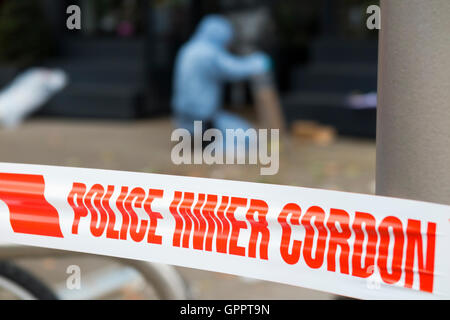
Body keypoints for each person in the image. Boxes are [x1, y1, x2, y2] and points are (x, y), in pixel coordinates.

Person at [172, 14, 271, 140]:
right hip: (203, 120)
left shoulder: (188, 49)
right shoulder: (208, 53)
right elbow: (233, 69)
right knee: (248, 137)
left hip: (182, 119)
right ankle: (210, 144)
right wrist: (257, 63)